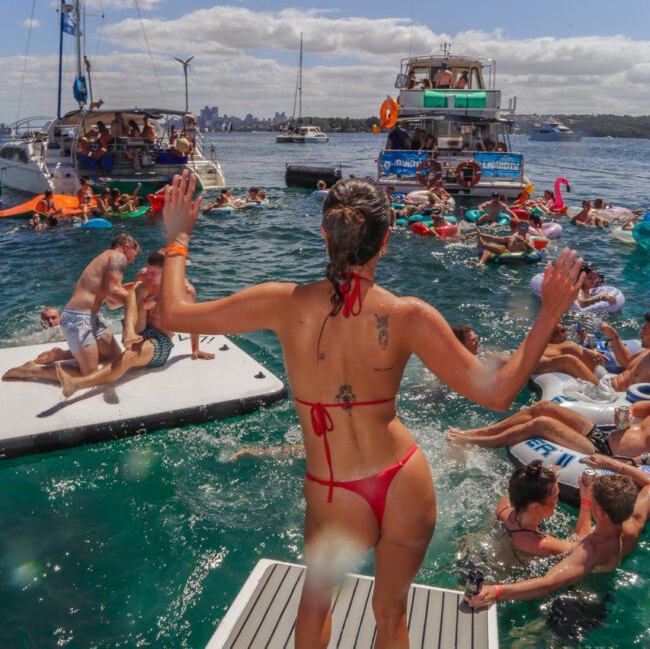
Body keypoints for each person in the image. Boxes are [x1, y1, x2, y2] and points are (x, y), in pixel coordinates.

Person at [158, 169, 583, 648]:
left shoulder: (282, 303)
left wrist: (178, 238)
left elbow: (171, 313)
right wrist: (548, 312)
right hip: (403, 478)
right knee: (390, 614)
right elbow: (500, 393)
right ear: (386, 242)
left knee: (316, 606)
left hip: (333, 487)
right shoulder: (409, 316)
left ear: (325, 233)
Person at [468, 470, 649, 607]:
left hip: (583, 605)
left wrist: (497, 591)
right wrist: (612, 464)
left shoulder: (590, 550)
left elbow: (548, 584)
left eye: (593, 500)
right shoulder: (635, 522)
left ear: (600, 512)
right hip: (607, 588)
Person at [55, 251, 214, 398]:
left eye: (153, 273)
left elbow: (195, 320)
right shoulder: (144, 278)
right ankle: (129, 332)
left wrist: (195, 348)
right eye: (148, 269)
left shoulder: (185, 291)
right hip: (138, 331)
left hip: (160, 341)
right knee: (139, 286)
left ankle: (77, 384)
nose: (148, 274)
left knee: (128, 357)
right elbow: (114, 303)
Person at [2, 234, 140, 384]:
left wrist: (132, 292)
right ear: (127, 246)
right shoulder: (118, 256)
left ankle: (62, 354)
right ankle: (31, 370)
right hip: (78, 319)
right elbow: (114, 290)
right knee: (89, 374)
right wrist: (136, 299)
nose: (132, 261)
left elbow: (112, 303)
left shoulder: (105, 259)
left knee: (114, 357)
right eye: (134, 254)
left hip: (90, 319)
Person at [446, 399, 650, 460]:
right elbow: (642, 406)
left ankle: (474, 442)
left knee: (542, 423)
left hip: (606, 454)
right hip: (604, 435)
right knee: (543, 407)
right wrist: (630, 410)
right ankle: (479, 432)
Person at [493, 460, 592, 561]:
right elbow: (583, 547)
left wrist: (544, 479)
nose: (557, 500)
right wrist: (586, 501)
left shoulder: (503, 506)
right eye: (555, 497)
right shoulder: (540, 544)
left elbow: (522, 487)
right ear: (535, 506)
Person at [535, 321, 606, 386]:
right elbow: (536, 363)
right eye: (555, 333)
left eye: (563, 331)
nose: (561, 335)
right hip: (599, 379)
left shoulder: (561, 345)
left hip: (604, 370)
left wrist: (585, 346)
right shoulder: (544, 350)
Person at [598, 314, 650, 392]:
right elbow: (628, 363)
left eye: (645, 330)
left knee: (573, 358)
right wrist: (613, 336)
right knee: (577, 352)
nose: (640, 333)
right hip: (608, 381)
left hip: (611, 394)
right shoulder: (647, 351)